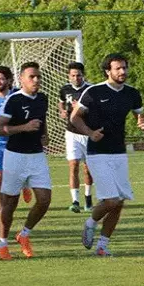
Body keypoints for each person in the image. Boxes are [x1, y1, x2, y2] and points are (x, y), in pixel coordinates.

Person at [71, 53, 144, 257]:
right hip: (97, 153)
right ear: (108, 71)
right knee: (111, 200)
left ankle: (102, 246)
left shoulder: (132, 93)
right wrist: (90, 133)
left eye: (124, 67)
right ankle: (90, 223)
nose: (123, 71)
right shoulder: (93, 92)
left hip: (119, 153)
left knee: (119, 202)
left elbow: (139, 112)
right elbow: (74, 118)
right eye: (118, 68)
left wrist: (142, 122)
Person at [0, 62, 52, 260]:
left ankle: (24, 234)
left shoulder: (43, 98)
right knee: (9, 203)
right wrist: (24, 127)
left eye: (38, 76)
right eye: (31, 77)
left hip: (36, 155)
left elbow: (42, 119)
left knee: (44, 200)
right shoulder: (13, 100)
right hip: (15, 156)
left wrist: (44, 135)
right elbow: (0, 128)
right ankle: (2, 243)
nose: (36, 80)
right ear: (21, 80)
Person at [58, 62, 94, 213]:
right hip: (71, 133)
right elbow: (60, 103)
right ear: (69, 76)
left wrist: (80, 110)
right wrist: (62, 112)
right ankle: (75, 201)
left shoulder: (91, 90)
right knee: (73, 166)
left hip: (86, 132)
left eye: (78, 75)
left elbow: (94, 109)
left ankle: (88, 198)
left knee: (88, 169)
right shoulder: (65, 89)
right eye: (73, 75)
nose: (76, 78)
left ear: (83, 75)